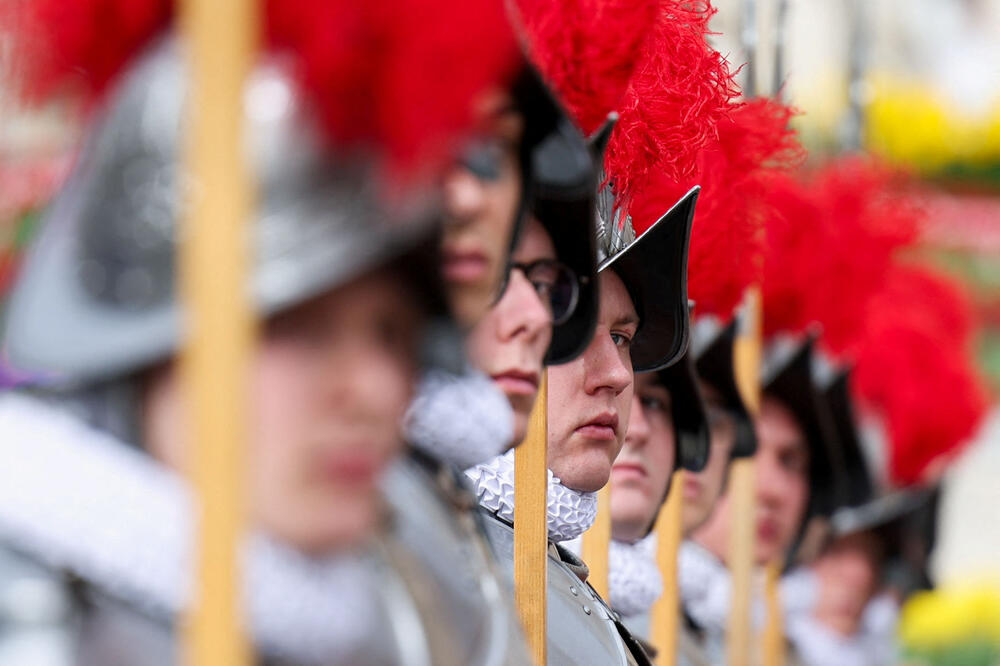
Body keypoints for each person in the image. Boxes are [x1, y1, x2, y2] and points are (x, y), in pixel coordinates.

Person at [0, 2, 530, 663]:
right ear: (143, 345)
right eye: (298, 327)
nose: (376, 388)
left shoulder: (389, 619)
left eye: (392, 332)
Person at [468, 186, 701, 665]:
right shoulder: (442, 557)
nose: (617, 374)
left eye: (621, 338)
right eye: (572, 330)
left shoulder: (572, 586)